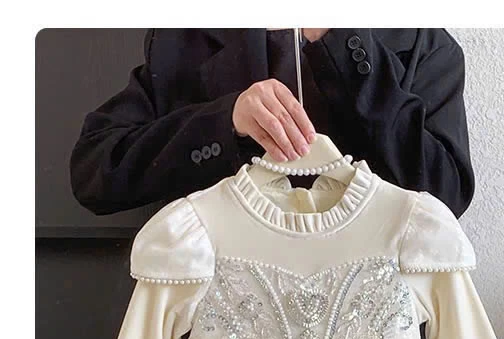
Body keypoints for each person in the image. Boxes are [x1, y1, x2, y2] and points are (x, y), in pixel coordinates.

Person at [69, 28, 475, 218]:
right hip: (223, 327)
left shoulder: (422, 41)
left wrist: (346, 47)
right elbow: (95, 171)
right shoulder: (185, 37)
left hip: (376, 330)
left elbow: (446, 197)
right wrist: (225, 121)